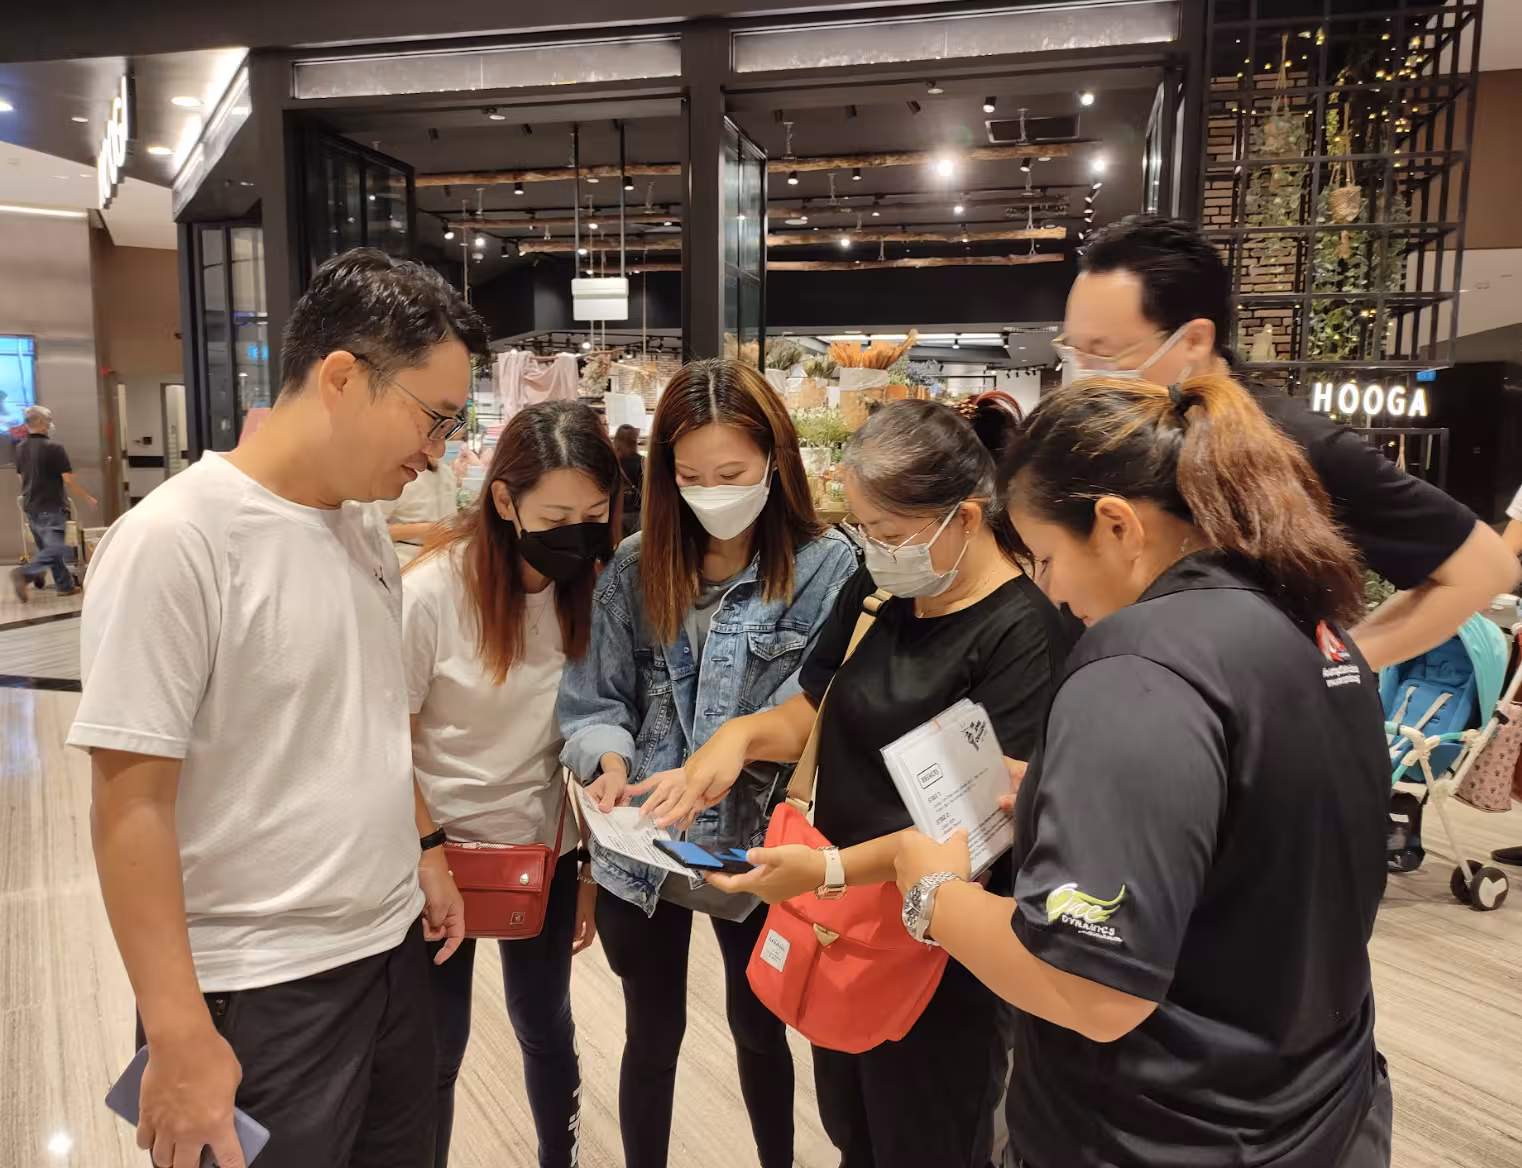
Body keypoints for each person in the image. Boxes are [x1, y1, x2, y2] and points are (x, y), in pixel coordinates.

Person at [894, 373, 1393, 1168]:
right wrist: (1081, 810)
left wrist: (931, 894)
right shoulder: (1317, 631)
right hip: (1321, 1107)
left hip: (1164, 1131)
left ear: (1117, 524)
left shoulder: (1138, 665)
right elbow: (1266, 849)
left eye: (1049, 557)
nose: (1050, 590)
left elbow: (1093, 991)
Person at [69, 248, 488, 1168]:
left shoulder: (360, 526)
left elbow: (366, 721)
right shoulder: (177, 541)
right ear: (342, 376)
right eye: (435, 417)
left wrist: (423, 851)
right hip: (257, 990)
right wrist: (179, 1037)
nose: (440, 450)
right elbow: (128, 803)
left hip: (386, 956)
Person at [646, 399, 1074, 1168]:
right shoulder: (879, 592)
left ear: (966, 520)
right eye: (865, 530)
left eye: (891, 533)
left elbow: (975, 832)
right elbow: (814, 708)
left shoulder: (1024, 635)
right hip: (841, 924)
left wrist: (832, 870)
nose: (874, 549)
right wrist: (738, 738)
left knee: (929, 1140)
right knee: (855, 1134)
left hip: (939, 947)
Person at [556, 358, 858, 1168]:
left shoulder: (829, 568)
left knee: (761, 1033)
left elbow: (816, 720)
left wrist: (739, 740)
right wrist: (609, 759)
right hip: (644, 845)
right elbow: (594, 702)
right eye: (690, 475)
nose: (712, 490)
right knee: (650, 1036)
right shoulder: (633, 563)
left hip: (755, 843)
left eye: (732, 472)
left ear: (775, 462)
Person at [1062, 215, 1518, 672]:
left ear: (1194, 340)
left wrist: (1333, 673)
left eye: (1103, 353)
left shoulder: (1294, 442)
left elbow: (1484, 570)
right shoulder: (1124, 430)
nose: (1084, 370)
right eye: (1073, 351)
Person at [405, 400, 617, 1168]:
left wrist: (591, 865)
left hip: (543, 851)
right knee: (437, 1047)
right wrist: (428, 849)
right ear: (505, 498)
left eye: (596, 513)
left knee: (545, 1023)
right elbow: (386, 738)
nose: (580, 532)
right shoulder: (432, 591)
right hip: (435, 858)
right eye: (558, 513)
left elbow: (591, 736)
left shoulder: (592, 591)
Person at [10, 403, 96, 600]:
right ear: (40, 422)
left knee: (49, 550)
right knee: (60, 547)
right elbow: (68, 480)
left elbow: (20, 478)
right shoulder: (55, 448)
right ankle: (25, 574)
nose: (50, 424)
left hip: (30, 507)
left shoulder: (21, 448)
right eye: (48, 420)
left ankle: (64, 586)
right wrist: (87, 497)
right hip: (51, 507)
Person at [380, 452, 460, 565]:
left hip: (444, 557)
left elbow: (452, 521)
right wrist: (420, 530)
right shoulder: (395, 476)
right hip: (404, 558)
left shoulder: (447, 474)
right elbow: (370, 530)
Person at [613, 422, 644, 538]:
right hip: (637, 513)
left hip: (618, 513)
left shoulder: (612, 462)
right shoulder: (642, 462)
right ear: (634, 441)